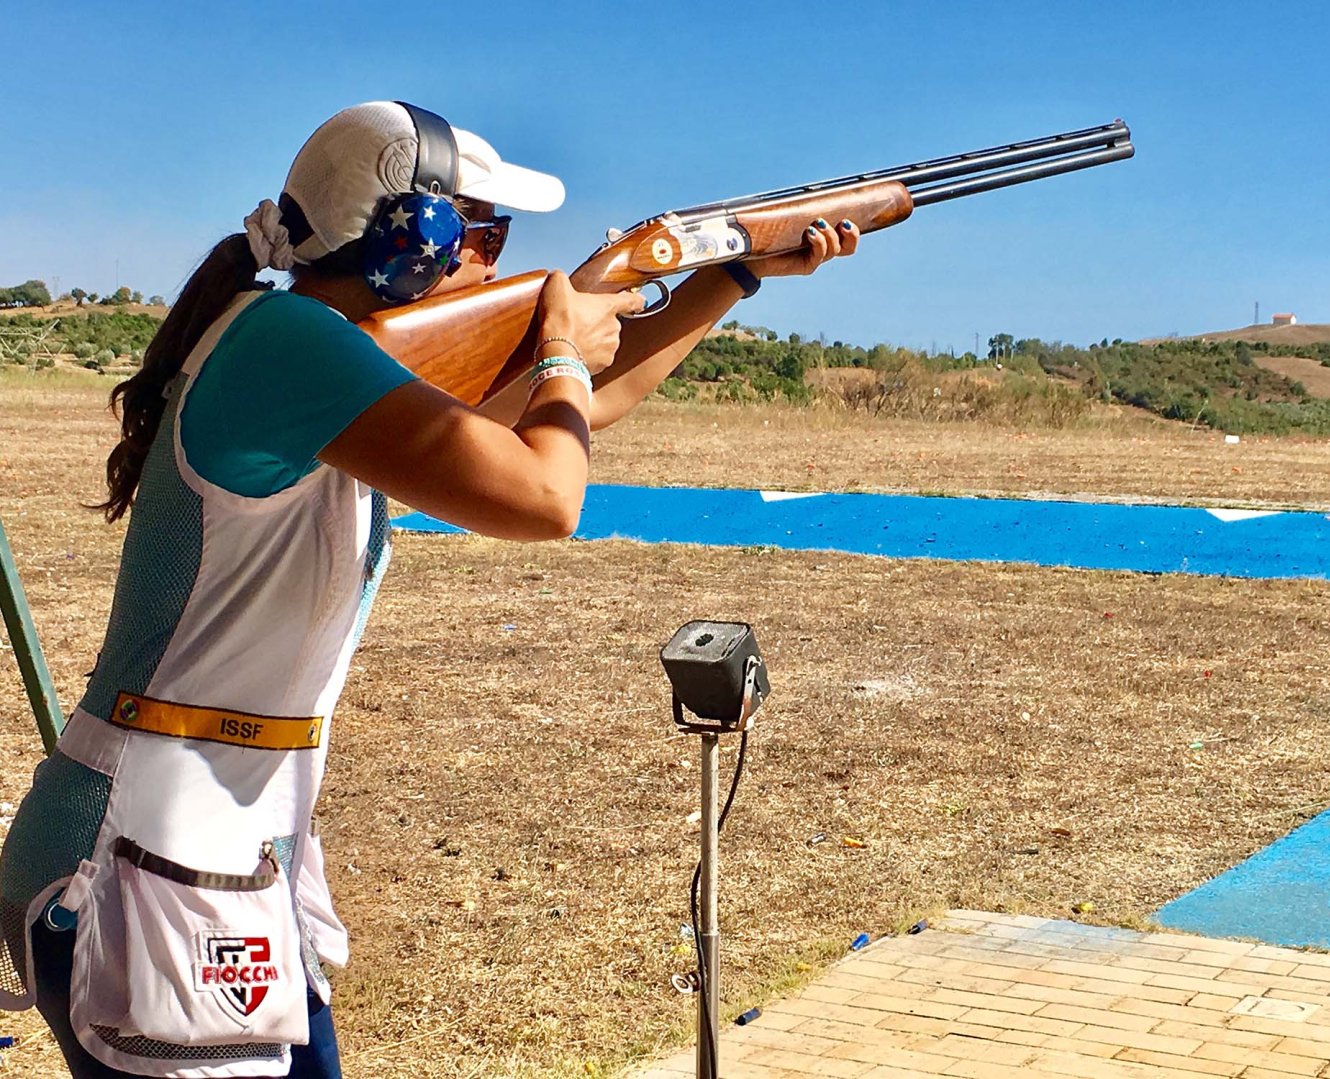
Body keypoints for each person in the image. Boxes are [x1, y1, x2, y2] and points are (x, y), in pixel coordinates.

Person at [0, 100, 857, 1077]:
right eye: (485, 235)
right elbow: (545, 493)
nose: (498, 264)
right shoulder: (293, 344)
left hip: (207, 847)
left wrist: (728, 277)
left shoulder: (307, 345)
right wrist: (564, 346)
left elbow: (560, 421)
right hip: (140, 850)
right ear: (420, 242)